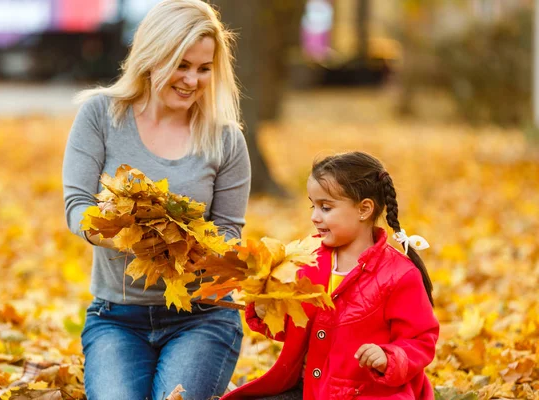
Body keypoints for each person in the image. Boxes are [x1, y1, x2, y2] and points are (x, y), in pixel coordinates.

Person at [62, 1, 251, 399]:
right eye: (181, 65)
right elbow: (77, 204)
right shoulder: (102, 115)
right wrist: (121, 236)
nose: (192, 80)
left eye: (204, 68)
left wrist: (190, 249)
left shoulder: (225, 137)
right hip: (116, 317)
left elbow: (229, 230)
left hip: (202, 317)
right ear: (152, 57)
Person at [223, 152, 438, 400]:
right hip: (309, 390)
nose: (315, 216)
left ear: (364, 209)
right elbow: (298, 329)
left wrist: (388, 357)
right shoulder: (308, 258)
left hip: (365, 393)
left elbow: (420, 341)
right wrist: (268, 313)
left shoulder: (399, 275)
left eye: (326, 207)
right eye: (312, 206)